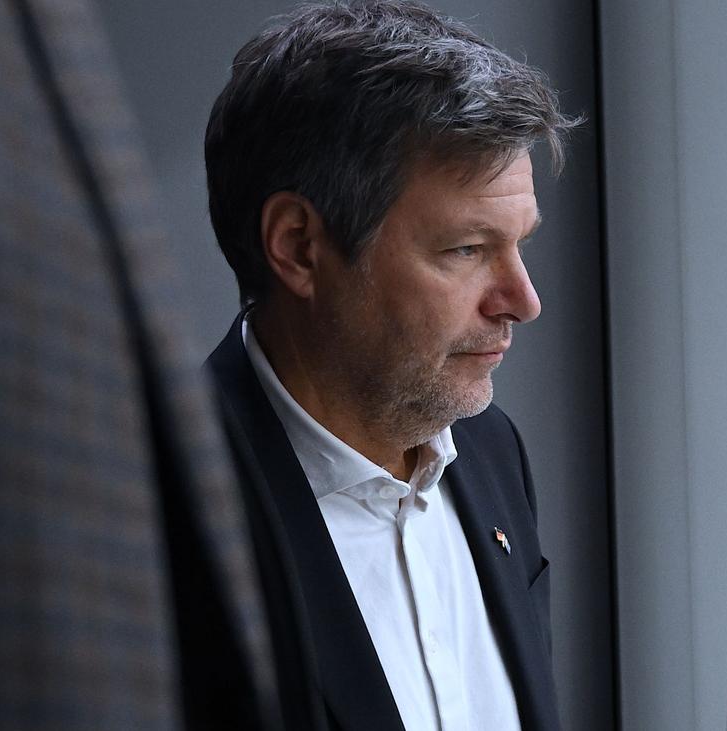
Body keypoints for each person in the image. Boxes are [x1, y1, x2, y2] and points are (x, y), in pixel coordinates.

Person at [202, 3, 578, 730]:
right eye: (467, 249)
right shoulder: (158, 515)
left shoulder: (492, 450)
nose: (524, 301)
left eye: (520, 244)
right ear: (299, 246)